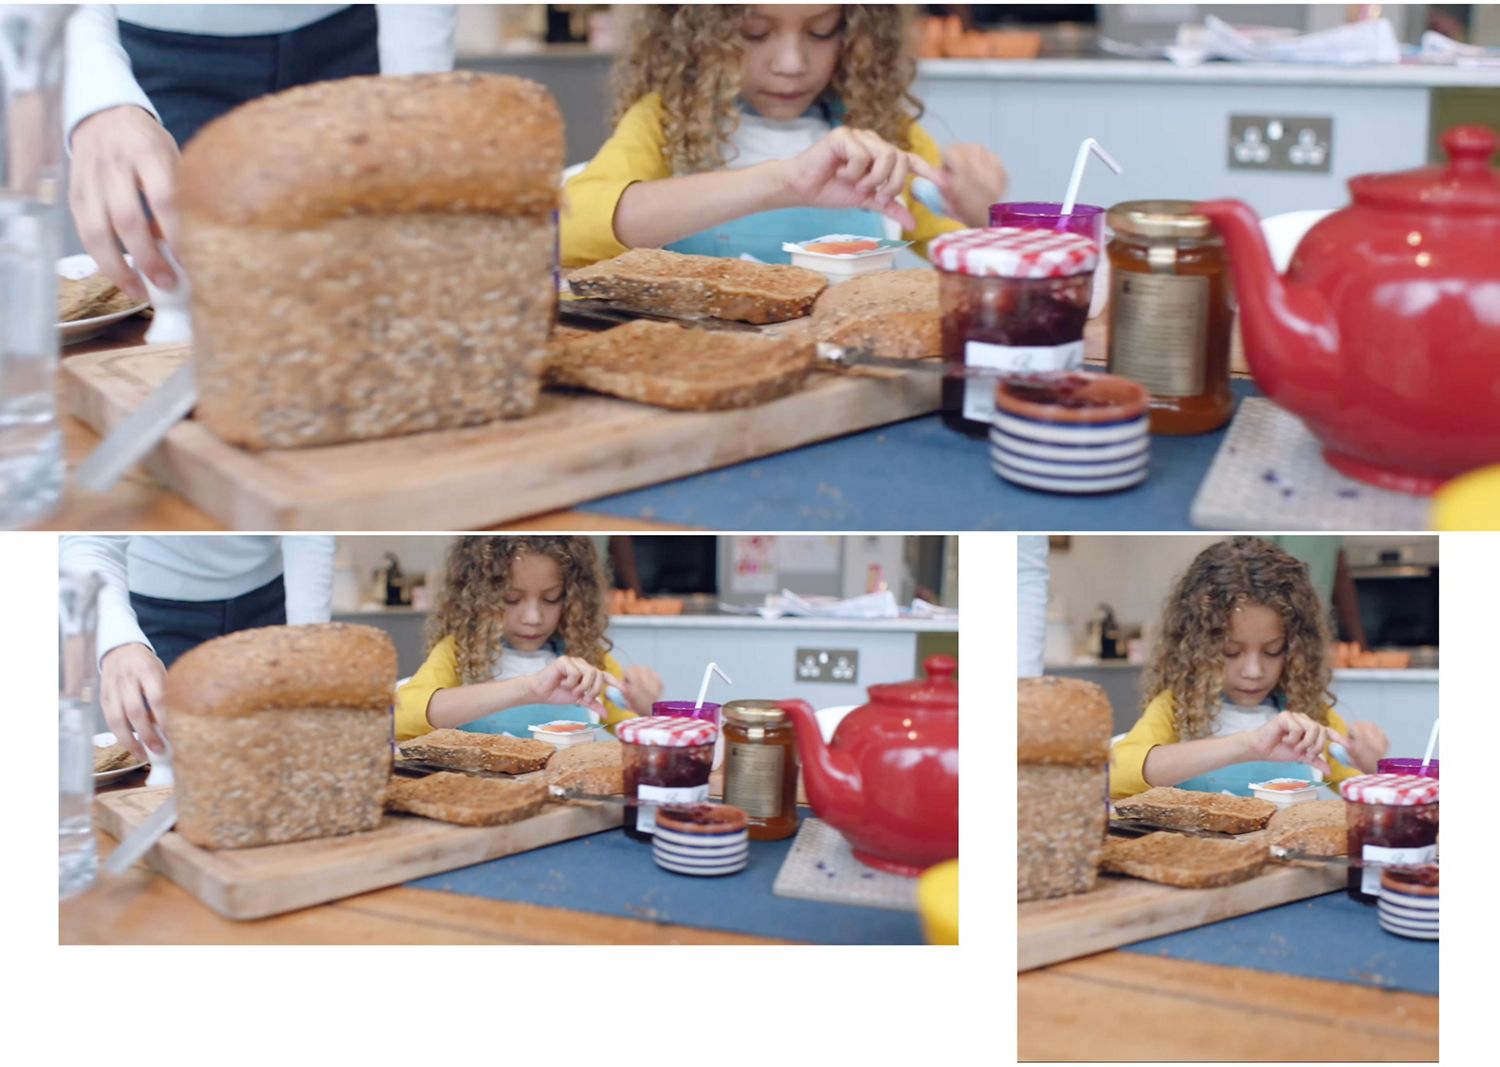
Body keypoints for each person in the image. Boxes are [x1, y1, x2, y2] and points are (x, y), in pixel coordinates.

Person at [561, 3, 1008, 266]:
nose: (790, 64)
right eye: (753, 33)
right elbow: (566, 229)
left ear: (855, 33)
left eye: (820, 31)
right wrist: (780, 183)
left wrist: (985, 220)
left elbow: (972, 258)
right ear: (697, 33)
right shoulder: (665, 121)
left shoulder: (884, 131)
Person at [64, 4, 456, 302]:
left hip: (350, 38)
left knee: (378, 289)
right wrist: (99, 95)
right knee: (176, 299)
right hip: (152, 53)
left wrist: (415, 104)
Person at [1109, 537, 1389, 799]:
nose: (1253, 671)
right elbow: (1114, 775)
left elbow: (1364, 792)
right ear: (1196, 647)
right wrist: (1249, 745)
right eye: (1230, 652)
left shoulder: (1311, 715)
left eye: (1272, 651)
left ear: (1294, 649)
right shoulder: (1177, 708)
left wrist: (1373, 768)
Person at [57, 535, 336, 762]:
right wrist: (117, 641)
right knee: (166, 763)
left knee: (288, 752)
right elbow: (88, 540)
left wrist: (307, 642)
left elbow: (308, 531)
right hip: (154, 613)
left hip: (269, 600)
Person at [395, 536, 663, 742]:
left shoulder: (589, 659)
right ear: (477, 598)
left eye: (550, 598)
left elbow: (638, 732)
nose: (533, 617)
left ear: (572, 598)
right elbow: (398, 717)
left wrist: (648, 710)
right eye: (511, 599)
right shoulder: (458, 652)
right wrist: (528, 689)